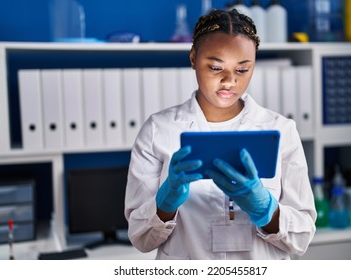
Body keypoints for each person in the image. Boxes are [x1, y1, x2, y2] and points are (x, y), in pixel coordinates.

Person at [124, 8, 316, 259]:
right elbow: (140, 237)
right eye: (215, 68)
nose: (229, 81)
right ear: (193, 58)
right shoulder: (159, 130)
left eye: (242, 70)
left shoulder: (280, 130)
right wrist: (165, 205)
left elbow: (302, 237)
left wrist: (267, 210)